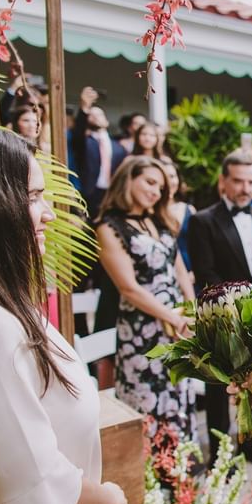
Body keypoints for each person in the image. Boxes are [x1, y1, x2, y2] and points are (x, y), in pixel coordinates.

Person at [0, 126, 135, 504]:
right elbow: (32, 483)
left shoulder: (11, 308)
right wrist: (111, 498)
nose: (48, 213)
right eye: (32, 197)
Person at [188, 149, 252, 468]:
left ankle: (251, 445)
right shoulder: (203, 221)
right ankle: (221, 453)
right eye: (239, 181)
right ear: (223, 181)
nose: (246, 188)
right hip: (221, 320)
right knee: (220, 385)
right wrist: (237, 309)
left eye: (251, 181)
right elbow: (206, 272)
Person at [96, 156, 197, 440]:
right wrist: (173, 317)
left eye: (161, 188)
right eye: (150, 182)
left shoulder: (159, 221)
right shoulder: (109, 226)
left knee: (179, 395)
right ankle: (151, 479)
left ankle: (179, 474)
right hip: (142, 331)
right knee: (147, 403)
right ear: (128, 179)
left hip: (177, 328)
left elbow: (180, 269)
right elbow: (128, 287)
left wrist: (191, 312)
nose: (156, 192)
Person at [72, 87, 127, 217]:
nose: (96, 117)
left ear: (107, 121)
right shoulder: (86, 142)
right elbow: (78, 133)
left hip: (112, 194)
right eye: (92, 115)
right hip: (90, 192)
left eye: (100, 114)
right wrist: (85, 108)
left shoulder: (119, 147)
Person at [163, 158, 197, 274]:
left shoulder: (189, 209)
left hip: (191, 271)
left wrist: (195, 271)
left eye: (172, 176)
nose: (169, 182)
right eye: (165, 177)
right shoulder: (149, 213)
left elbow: (198, 246)